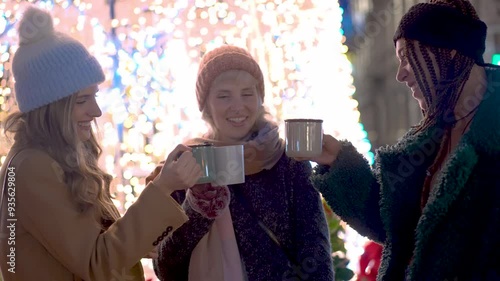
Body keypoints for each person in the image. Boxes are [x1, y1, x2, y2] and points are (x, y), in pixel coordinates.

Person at [300, 0, 500, 280]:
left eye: (408, 57)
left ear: (450, 52)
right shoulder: (428, 138)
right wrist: (338, 162)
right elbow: (393, 227)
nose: (401, 74)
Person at [0, 6, 202, 281]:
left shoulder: (58, 159)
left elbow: (90, 247)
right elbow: (96, 262)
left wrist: (154, 208)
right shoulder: (32, 169)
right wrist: (162, 188)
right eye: (82, 101)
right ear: (51, 108)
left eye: (94, 96)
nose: (95, 111)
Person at [152, 45, 334, 281]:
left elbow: (316, 255)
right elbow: (166, 268)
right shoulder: (187, 165)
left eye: (247, 93)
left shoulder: (288, 162)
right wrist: (198, 208)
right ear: (206, 105)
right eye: (223, 95)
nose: (237, 106)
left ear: (260, 99)